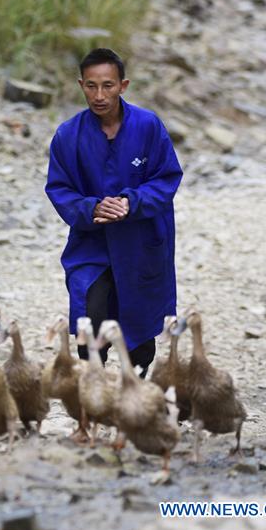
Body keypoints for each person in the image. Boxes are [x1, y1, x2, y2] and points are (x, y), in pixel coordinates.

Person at [44, 48, 183, 376]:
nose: (99, 95)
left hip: (140, 239)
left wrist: (130, 202)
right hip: (92, 242)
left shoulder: (148, 126)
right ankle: (93, 390)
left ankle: (133, 390)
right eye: (91, 86)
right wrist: (91, 207)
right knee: (89, 313)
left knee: (137, 320)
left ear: (123, 85)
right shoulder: (68, 135)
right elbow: (59, 188)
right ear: (81, 85)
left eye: (108, 85)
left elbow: (167, 178)